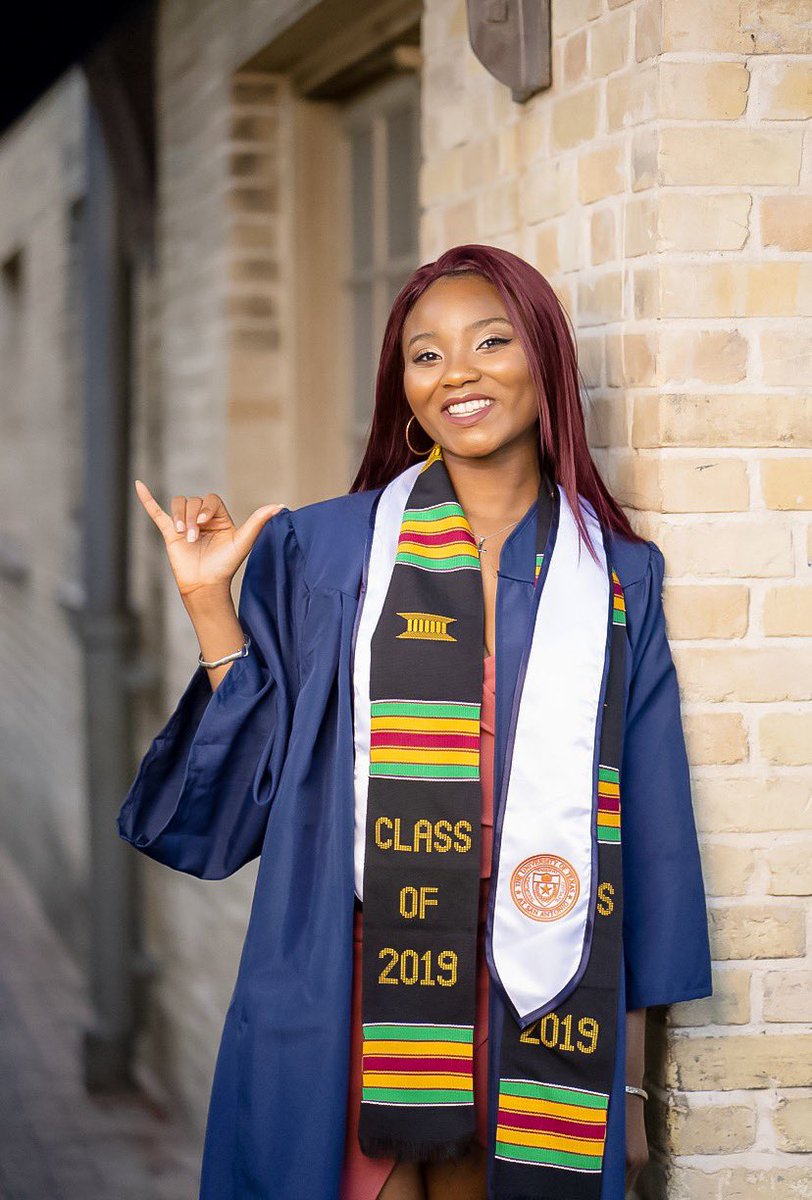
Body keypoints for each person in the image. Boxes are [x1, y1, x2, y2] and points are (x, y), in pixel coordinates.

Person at [118, 244, 713, 1200]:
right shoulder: (327, 550)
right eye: (424, 355)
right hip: (353, 973)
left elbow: (650, 840)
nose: (458, 373)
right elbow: (244, 797)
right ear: (404, 389)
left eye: (490, 341)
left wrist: (632, 1085)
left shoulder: (615, 576)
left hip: (541, 983)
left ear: (547, 360)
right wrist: (209, 608)